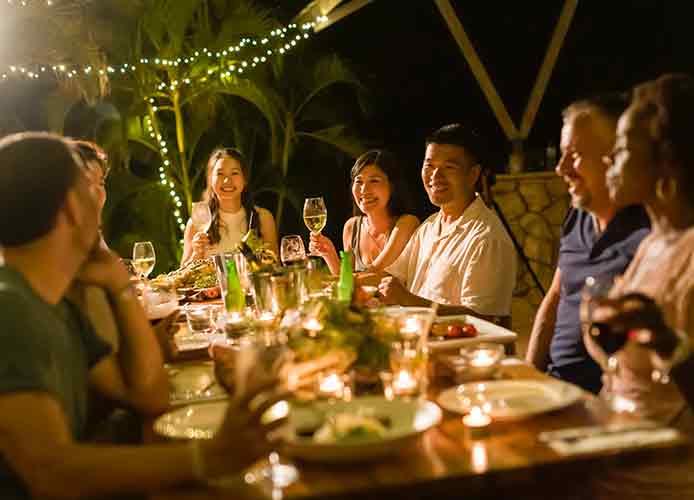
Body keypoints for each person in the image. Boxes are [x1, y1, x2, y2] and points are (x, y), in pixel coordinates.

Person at [0, 133, 285, 499]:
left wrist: (121, 288)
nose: (101, 199)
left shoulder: (57, 303)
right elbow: (52, 473)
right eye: (91, 189)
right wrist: (209, 457)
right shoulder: (11, 310)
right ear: (72, 207)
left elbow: (150, 396)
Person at [583, 74, 694, 499]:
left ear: (666, 162)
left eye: (623, 146)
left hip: (659, 477)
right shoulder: (654, 242)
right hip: (615, 446)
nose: (609, 158)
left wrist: (663, 341)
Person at [525, 93, 650, 394]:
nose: (561, 168)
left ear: (616, 157)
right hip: (554, 388)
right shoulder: (577, 217)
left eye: (575, 155)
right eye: (562, 155)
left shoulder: (649, 234)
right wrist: (528, 377)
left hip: (603, 397)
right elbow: (555, 298)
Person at [373, 124, 516, 321]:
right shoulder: (429, 227)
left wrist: (408, 300)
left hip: (456, 341)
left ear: (473, 174)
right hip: (417, 335)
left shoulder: (487, 237)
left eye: (449, 167)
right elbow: (392, 277)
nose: (435, 176)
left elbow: (484, 318)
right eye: (429, 166)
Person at [309, 149, 420, 275]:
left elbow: (375, 273)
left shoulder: (406, 223)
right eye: (359, 182)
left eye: (374, 181)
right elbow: (347, 283)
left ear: (392, 185)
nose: (364, 190)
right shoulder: (352, 227)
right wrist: (329, 254)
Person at [181, 147, 278, 266]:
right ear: (210, 180)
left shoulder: (263, 218)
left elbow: (275, 266)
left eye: (234, 173)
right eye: (220, 174)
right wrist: (196, 254)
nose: (227, 181)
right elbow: (182, 273)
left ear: (245, 179)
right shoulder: (198, 223)